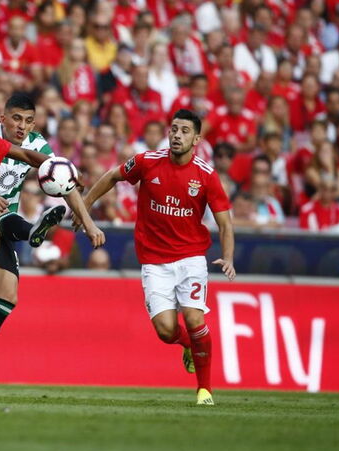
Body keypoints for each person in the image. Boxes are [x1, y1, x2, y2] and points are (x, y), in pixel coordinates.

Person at [82, 109, 236, 406]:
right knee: (166, 331)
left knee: (194, 317)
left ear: (197, 139)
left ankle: (205, 390)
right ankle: (189, 345)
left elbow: (225, 223)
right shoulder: (147, 162)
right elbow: (113, 175)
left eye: (184, 131)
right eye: (174, 129)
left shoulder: (206, 175)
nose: (177, 135)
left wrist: (227, 256)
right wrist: (86, 204)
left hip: (191, 257)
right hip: (154, 261)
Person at [0, 92, 103, 399]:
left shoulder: (37, 145)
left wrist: (89, 223)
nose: (22, 126)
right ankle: (32, 230)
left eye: (28, 121)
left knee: (6, 299)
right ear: (3, 118)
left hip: (1, 224)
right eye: (16, 119)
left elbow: (64, 182)